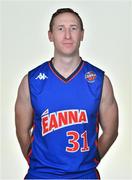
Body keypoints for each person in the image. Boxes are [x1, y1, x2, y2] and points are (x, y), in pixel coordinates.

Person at [15, 8, 118, 179]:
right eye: (60, 28)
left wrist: (93, 158)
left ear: (82, 34)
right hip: (41, 175)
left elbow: (111, 131)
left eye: (74, 28)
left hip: (84, 175)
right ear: (50, 35)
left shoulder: (100, 81)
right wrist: (38, 162)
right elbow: (22, 131)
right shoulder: (31, 81)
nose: (67, 35)